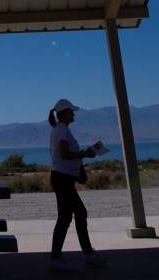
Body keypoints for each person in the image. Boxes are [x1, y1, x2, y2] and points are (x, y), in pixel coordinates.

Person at [48, 98, 107, 271]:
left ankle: (60, 257)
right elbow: (64, 154)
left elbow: (64, 154)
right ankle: (85, 255)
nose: (74, 114)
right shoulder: (62, 130)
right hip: (63, 179)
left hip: (63, 178)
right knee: (78, 213)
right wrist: (85, 154)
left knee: (66, 217)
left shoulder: (60, 129)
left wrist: (84, 155)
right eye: (71, 111)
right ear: (64, 113)